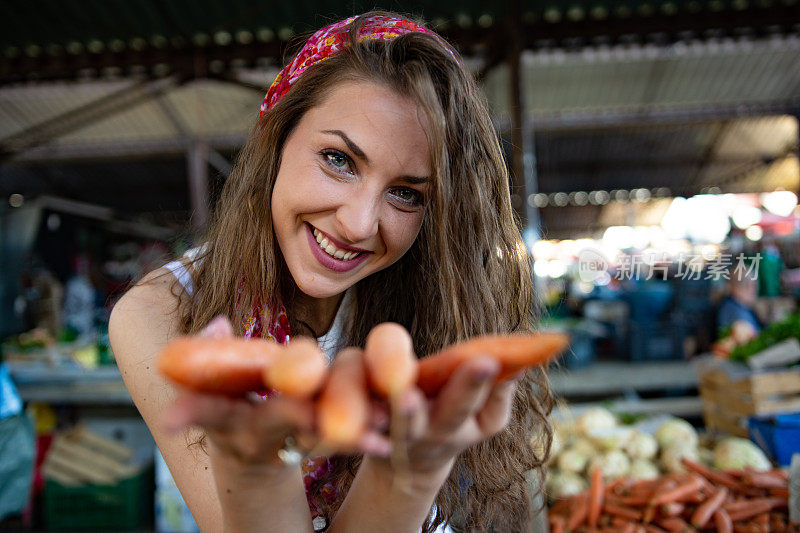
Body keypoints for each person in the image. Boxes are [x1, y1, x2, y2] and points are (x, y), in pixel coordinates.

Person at [109, 12, 553, 532]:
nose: (359, 224)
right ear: (276, 139)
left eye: (406, 194)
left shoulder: (436, 301)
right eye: (339, 159)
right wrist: (258, 470)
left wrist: (412, 467)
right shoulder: (164, 315)